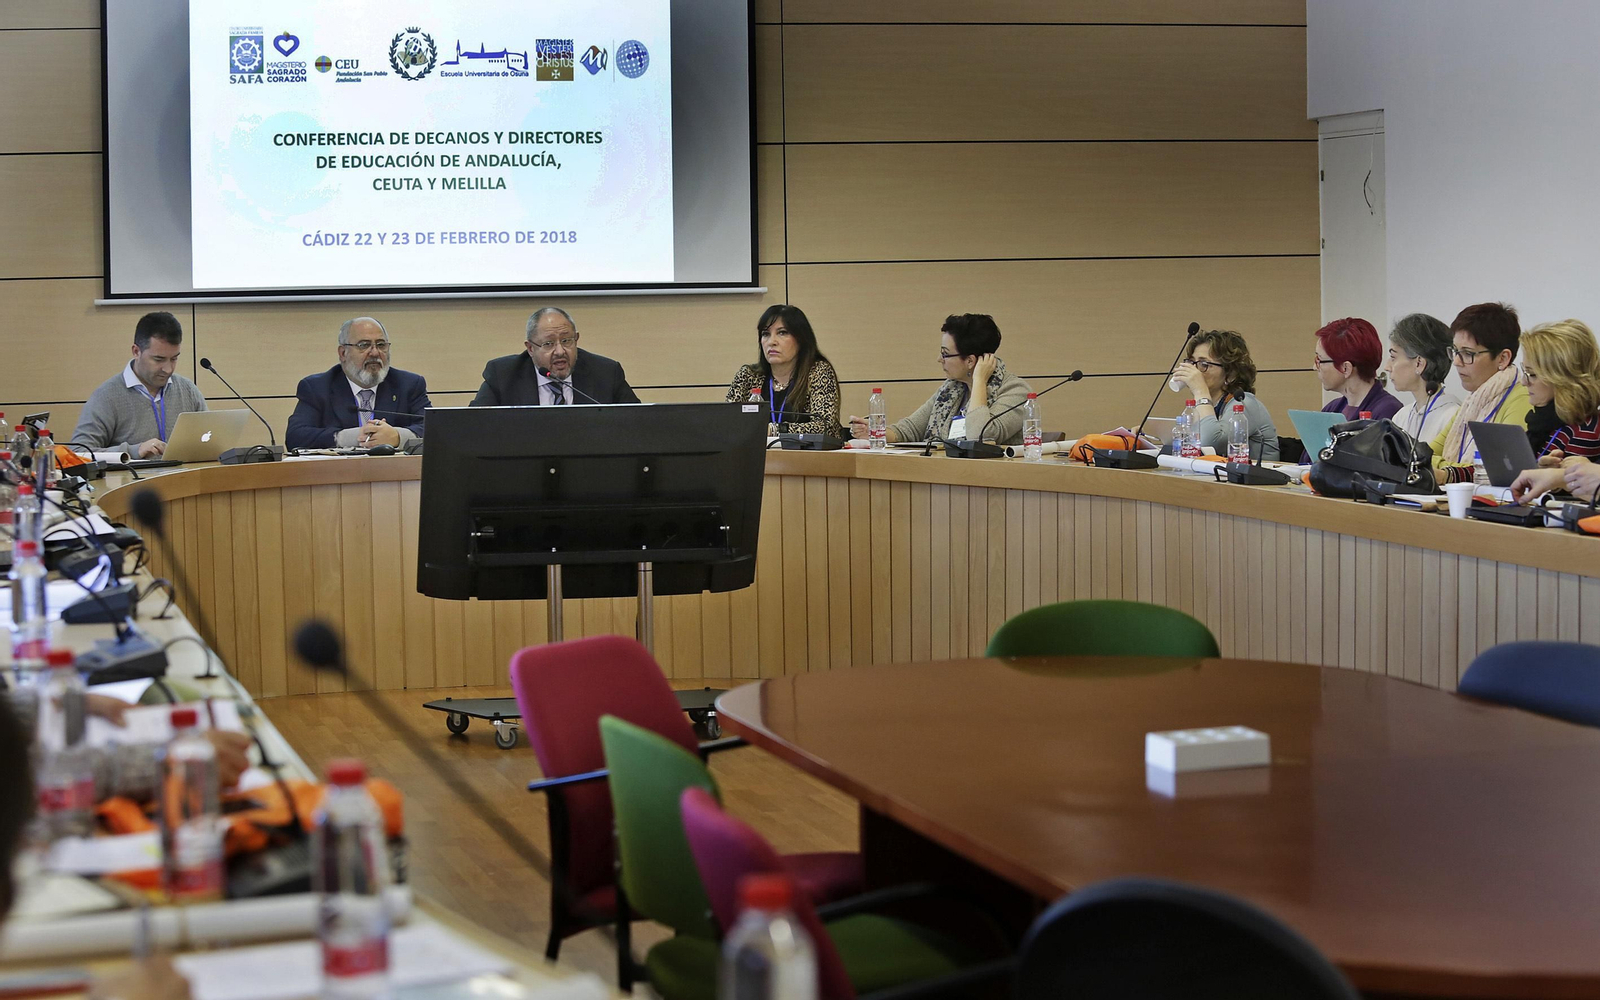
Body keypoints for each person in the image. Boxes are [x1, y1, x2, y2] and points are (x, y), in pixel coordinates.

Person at [848, 314, 1033, 446]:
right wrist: (876, 432)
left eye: (945, 354)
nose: (939, 359)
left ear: (970, 361)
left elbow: (981, 437)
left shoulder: (1016, 391)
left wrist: (979, 380)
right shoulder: (951, 389)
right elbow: (910, 429)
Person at [71, 312, 208, 458]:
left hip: (185, 473)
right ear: (136, 352)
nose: (168, 369)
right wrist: (133, 451)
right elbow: (79, 453)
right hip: (132, 474)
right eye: (158, 359)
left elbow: (210, 441)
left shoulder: (188, 390)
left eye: (174, 359)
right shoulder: (107, 396)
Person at [286, 317, 431, 450]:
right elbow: (295, 436)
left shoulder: (409, 384)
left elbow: (434, 429)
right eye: (364, 345)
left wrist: (397, 437)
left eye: (381, 345)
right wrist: (353, 437)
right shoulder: (317, 387)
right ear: (343, 353)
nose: (375, 353)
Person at [1429, 302, 1531, 483]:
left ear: (1503, 358)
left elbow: (1501, 470)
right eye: (1455, 351)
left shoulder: (1521, 399)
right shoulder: (1472, 401)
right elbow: (1425, 455)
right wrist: (1456, 468)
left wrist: (1447, 471)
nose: (1457, 362)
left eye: (1468, 353)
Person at [471, 307, 640, 407]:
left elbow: (637, 423)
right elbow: (474, 425)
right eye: (548, 344)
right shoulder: (503, 376)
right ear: (530, 348)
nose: (560, 351)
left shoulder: (606, 373)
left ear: (576, 339)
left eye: (566, 341)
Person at [725, 305, 841, 436]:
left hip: (803, 450)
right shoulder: (748, 375)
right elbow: (726, 423)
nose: (771, 342)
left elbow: (826, 427)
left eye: (782, 333)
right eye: (765, 334)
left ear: (801, 339)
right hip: (756, 449)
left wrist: (774, 430)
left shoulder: (818, 372)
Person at [1171, 329, 1279, 460]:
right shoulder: (1204, 406)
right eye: (1192, 362)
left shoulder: (1245, 402)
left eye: (1203, 364)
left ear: (1231, 374)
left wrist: (1200, 391)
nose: (1195, 370)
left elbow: (1210, 443)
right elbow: (1186, 445)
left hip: (1257, 473)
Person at [1523, 320, 1600, 461]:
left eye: (1532, 374)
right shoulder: (1543, 422)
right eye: (1525, 372)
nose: (1524, 382)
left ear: (1561, 379)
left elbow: (1570, 477)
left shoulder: (1585, 432)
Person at [1385, 313, 1461, 444]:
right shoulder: (1401, 417)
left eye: (1393, 358)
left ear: (1419, 363)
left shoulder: (1452, 417)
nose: (1387, 367)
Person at [1313, 317, 1402, 421]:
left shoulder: (1388, 411)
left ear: (1346, 368)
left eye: (1319, 360)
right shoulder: (1331, 410)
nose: (1315, 367)